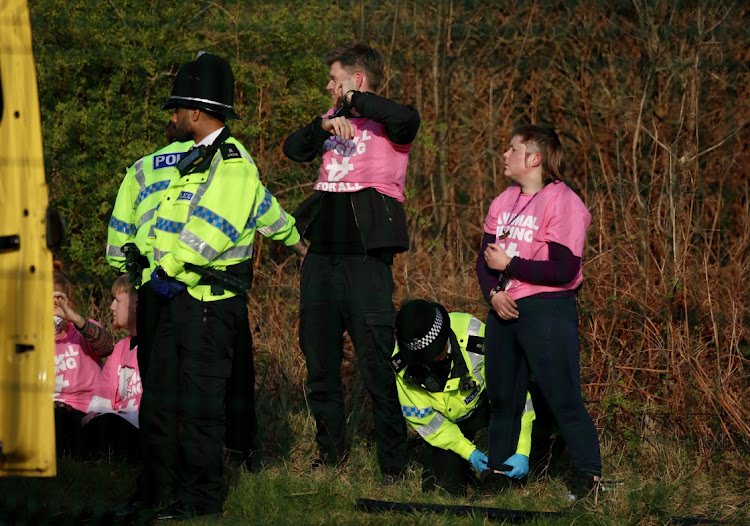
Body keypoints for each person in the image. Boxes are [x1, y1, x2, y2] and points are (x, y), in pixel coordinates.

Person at [112, 52, 305, 521]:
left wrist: (168, 267)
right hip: (174, 298)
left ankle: (200, 498)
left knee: (199, 407)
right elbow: (167, 225)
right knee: (159, 401)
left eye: (177, 109)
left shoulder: (234, 164)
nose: (173, 117)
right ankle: (156, 490)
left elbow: (207, 234)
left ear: (196, 113)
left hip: (206, 304)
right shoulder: (194, 163)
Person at [282, 40, 420, 483]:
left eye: (334, 79)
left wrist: (357, 103)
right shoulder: (328, 122)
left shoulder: (391, 126)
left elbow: (406, 118)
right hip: (321, 260)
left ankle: (394, 468)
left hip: (366, 262)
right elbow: (293, 148)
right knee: (319, 363)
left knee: (376, 366)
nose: (327, 85)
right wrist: (324, 125)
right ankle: (330, 457)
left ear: (356, 82)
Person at [476, 124, 602, 499]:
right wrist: (493, 296)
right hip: (503, 309)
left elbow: (564, 270)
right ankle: (498, 474)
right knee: (502, 398)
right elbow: (484, 262)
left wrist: (511, 265)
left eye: (512, 149)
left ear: (534, 158)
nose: (505, 155)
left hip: (547, 310)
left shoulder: (564, 201)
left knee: (562, 396)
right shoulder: (502, 201)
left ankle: (589, 479)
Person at [391, 300, 535, 496]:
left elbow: (514, 394)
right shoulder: (402, 365)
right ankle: (463, 471)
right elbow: (429, 422)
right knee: (440, 489)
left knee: (506, 478)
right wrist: (469, 452)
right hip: (449, 424)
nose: (429, 361)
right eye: (421, 357)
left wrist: (522, 450)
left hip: (489, 407)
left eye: (433, 353)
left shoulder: (474, 335)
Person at [52, 262, 114, 458]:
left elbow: (106, 346)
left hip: (88, 413)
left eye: (56, 300)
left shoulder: (83, 331)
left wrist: (74, 319)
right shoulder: (29, 340)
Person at [83, 274, 141, 459]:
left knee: (108, 424)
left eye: (117, 300)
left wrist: (113, 416)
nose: (111, 307)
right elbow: (101, 399)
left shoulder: (161, 347)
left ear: (137, 303)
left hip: (143, 432)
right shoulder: (121, 347)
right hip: (116, 426)